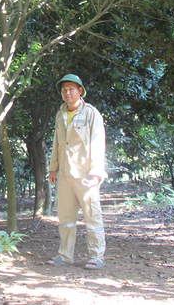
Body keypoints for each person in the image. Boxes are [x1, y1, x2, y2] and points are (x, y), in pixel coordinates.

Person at [46, 74, 107, 270]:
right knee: (65, 217)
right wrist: (53, 168)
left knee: (92, 215)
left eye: (71, 89)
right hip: (64, 174)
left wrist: (96, 172)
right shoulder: (60, 114)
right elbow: (57, 143)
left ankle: (96, 256)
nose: (67, 93)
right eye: (64, 90)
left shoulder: (91, 113)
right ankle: (65, 256)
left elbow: (98, 143)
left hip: (85, 175)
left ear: (80, 91)